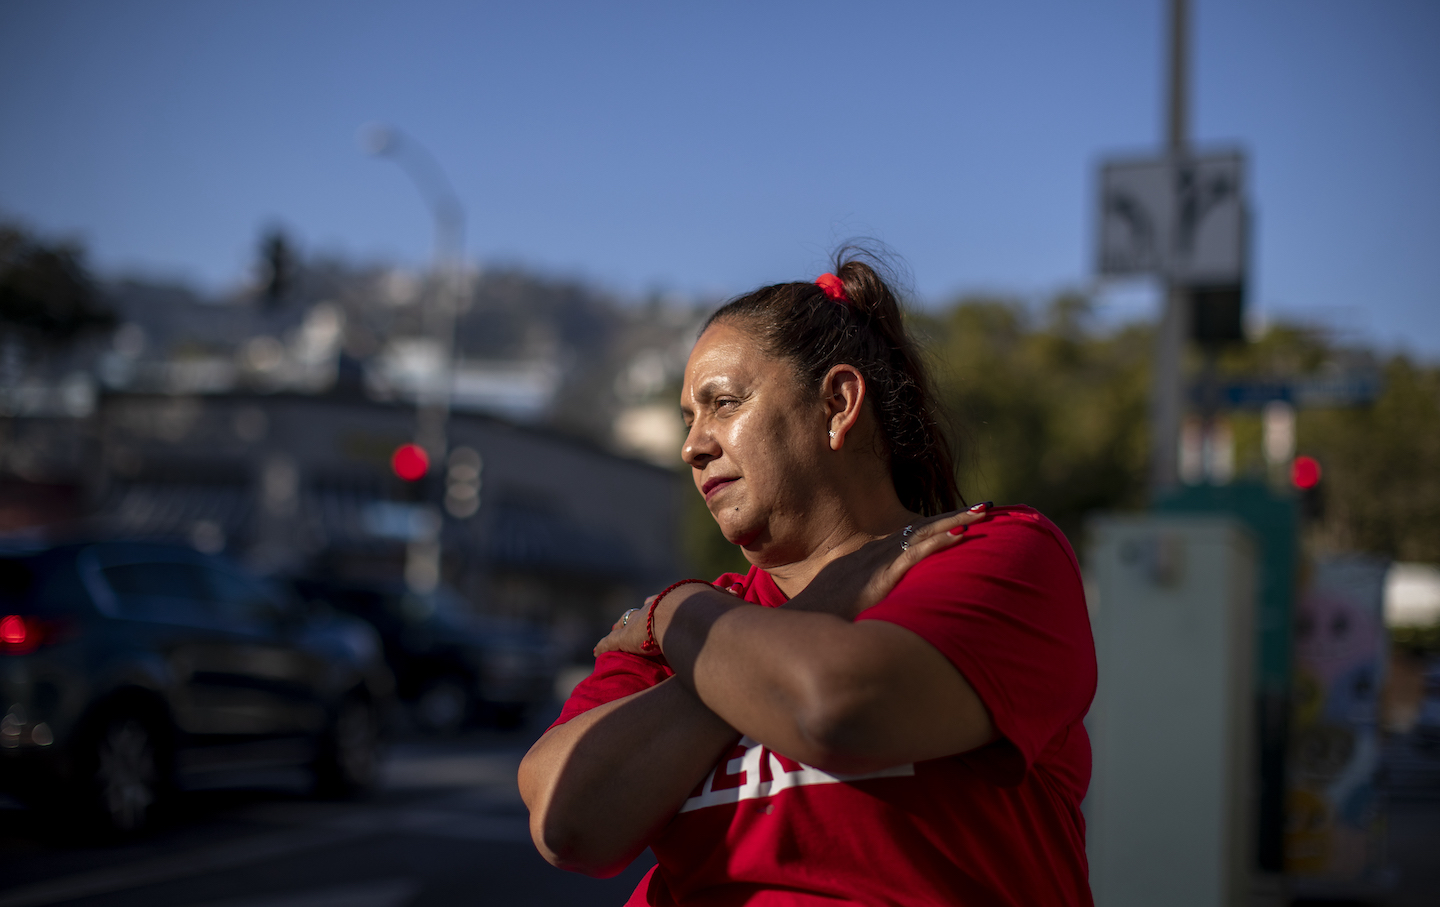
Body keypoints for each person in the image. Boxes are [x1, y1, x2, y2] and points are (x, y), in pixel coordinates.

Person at [518, 253, 1097, 906]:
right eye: (688, 420)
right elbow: (568, 819)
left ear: (838, 403)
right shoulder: (702, 622)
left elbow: (837, 709)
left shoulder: (992, 553)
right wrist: (792, 610)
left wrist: (674, 611)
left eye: (723, 403)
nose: (693, 446)